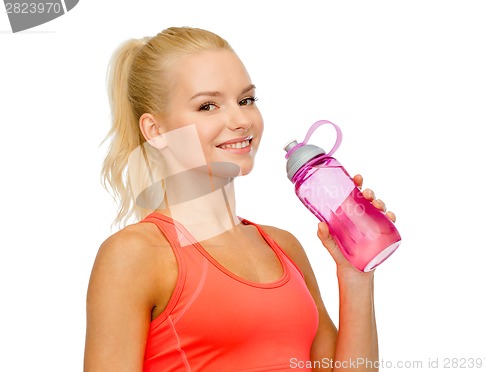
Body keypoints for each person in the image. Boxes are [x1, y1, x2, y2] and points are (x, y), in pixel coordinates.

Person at [84, 26, 396, 371]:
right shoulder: (135, 255)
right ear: (156, 131)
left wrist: (356, 277)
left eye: (246, 100)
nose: (240, 120)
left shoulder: (283, 246)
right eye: (207, 106)